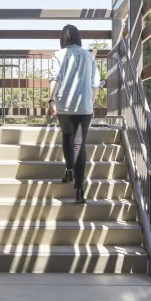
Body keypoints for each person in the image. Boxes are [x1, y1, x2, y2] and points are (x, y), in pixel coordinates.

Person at [48, 24, 102, 204]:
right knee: (80, 144)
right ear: (79, 38)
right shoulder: (88, 56)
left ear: (63, 39)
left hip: (65, 105)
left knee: (67, 136)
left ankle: (69, 169)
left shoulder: (58, 54)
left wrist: (51, 101)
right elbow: (96, 83)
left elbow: (55, 78)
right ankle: (79, 189)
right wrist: (91, 102)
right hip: (84, 106)